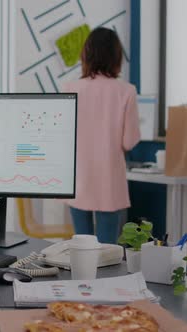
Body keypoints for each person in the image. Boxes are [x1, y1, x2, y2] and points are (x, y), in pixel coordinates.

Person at [62, 27, 141, 244]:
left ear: (86, 54)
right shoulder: (126, 91)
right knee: (107, 251)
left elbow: (62, 136)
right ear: (116, 57)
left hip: (77, 180)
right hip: (109, 181)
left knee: (82, 248)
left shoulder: (69, 88)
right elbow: (129, 140)